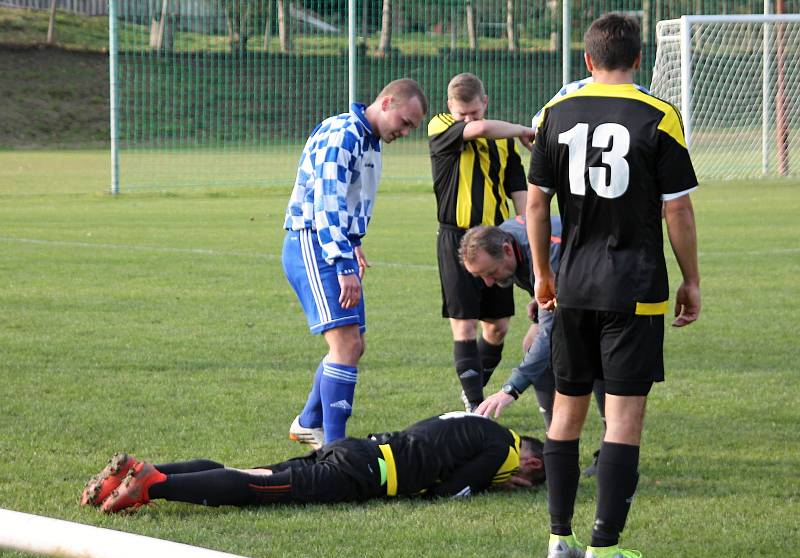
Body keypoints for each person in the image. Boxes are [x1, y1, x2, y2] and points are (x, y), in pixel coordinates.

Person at [526, 13, 701, 558]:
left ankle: (559, 538)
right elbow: (677, 206)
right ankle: (603, 551)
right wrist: (691, 278)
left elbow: (535, 203)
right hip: (634, 288)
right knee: (622, 420)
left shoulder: (555, 114)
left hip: (571, 284)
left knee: (566, 413)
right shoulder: (658, 115)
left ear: (587, 60)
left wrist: (542, 274)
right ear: (638, 59)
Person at [283, 79, 427, 449]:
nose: (406, 132)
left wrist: (355, 243)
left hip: (337, 245)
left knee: (354, 345)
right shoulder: (344, 134)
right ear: (387, 101)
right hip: (314, 242)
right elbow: (327, 204)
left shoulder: (368, 141)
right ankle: (335, 448)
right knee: (345, 345)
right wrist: (342, 263)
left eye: (412, 127)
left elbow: (352, 199)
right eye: (406, 121)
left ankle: (309, 423)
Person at [80, 412, 546, 513]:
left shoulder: (473, 419)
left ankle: (139, 470)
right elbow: (450, 492)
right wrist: (492, 482)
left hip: (358, 449)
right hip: (362, 474)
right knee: (256, 491)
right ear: (533, 464)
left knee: (253, 473)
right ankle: (152, 485)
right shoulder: (502, 451)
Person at [458, 217, 606, 475]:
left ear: (505, 249)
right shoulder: (505, 238)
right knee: (531, 343)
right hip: (579, 287)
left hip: (610, 293)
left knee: (595, 356)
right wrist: (538, 300)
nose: (489, 283)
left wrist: (510, 390)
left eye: (490, 273)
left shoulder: (549, 254)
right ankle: (555, 441)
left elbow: (551, 334)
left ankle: (610, 450)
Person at [428, 72, 536, 413]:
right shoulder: (440, 126)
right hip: (457, 238)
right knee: (465, 324)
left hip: (495, 241)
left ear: (485, 102)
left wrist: (529, 228)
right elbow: (481, 130)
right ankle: (476, 408)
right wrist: (523, 130)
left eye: (474, 112)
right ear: (450, 108)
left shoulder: (502, 141)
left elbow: (518, 189)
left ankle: (473, 392)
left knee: (498, 328)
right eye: (462, 114)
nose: (468, 119)